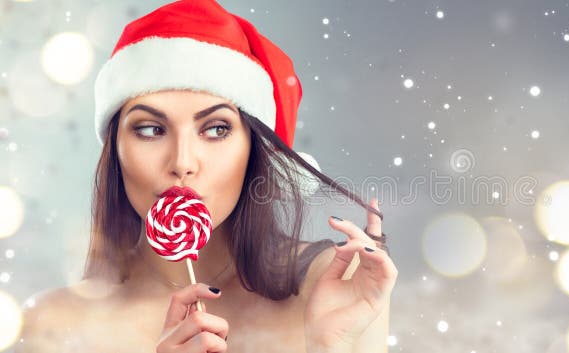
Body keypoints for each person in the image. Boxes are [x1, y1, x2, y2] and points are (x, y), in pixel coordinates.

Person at [16, 0, 397, 352]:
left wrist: (336, 346)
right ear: (114, 151)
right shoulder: (54, 325)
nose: (182, 162)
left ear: (255, 149)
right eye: (150, 129)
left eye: (216, 129)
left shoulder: (333, 286)